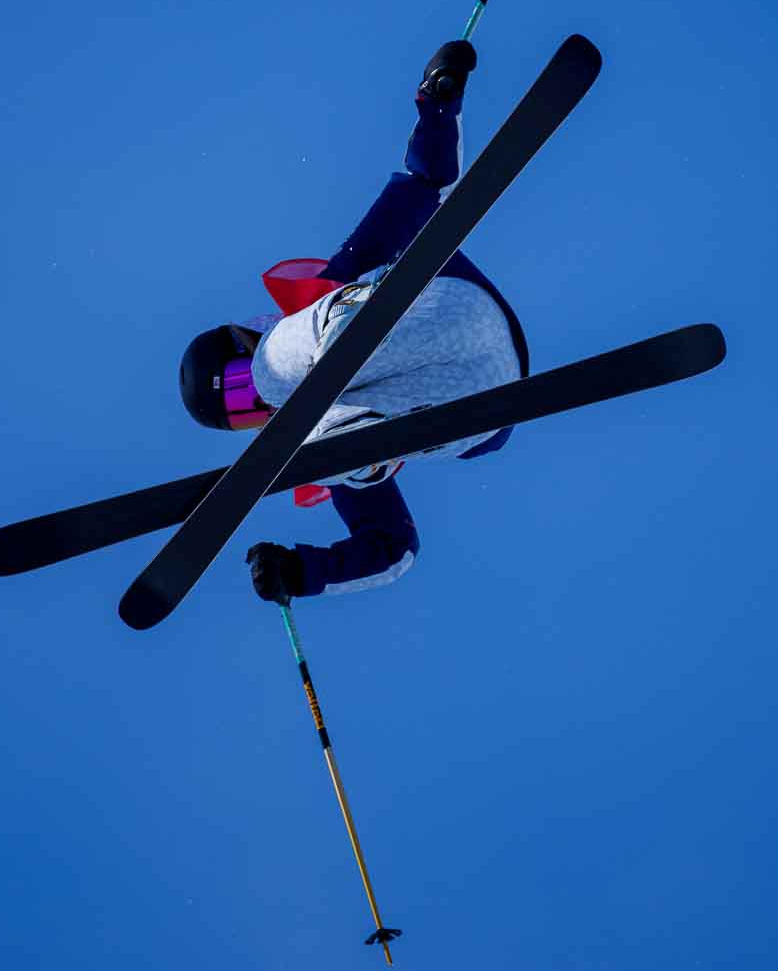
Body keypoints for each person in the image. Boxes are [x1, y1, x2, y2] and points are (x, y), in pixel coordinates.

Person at [179, 41, 529, 605]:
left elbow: (423, 187)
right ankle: (369, 447)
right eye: (246, 415)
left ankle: (338, 397)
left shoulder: (330, 284)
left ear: (252, 335)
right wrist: (302, 571)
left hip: (448, 312)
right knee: (317, 447)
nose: (258, 410)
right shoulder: (321, 448)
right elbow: (394, 549)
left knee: (289, 391)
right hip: (484, 407)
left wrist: (437, 102)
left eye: (242, 386)